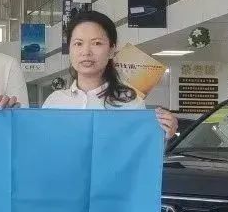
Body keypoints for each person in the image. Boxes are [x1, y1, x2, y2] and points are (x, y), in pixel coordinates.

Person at [42, 9, 178, 138]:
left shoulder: (130, 103)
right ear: (69, 49)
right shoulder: (54, 102)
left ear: (112, 50)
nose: (86, 52)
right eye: (78, 43)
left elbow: (138, 149)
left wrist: (163, 133)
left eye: (96, 43)